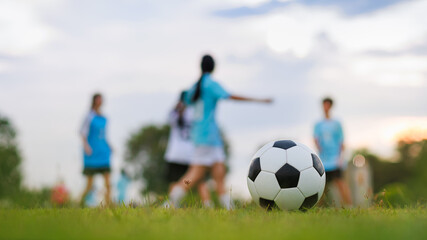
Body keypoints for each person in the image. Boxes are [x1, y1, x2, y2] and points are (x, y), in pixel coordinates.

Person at [166, 54, 272, 209]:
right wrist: (259, 100)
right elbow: (231, 96)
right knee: (194, 175)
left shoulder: (195, 87)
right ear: (213, 67)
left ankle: (229, 208)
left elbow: (185, 103)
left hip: (203, 137)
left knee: (219, 174)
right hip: (207, 136)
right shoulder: (210, 84)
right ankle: (170, 203)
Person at [164, 92, 213, 208]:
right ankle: (208, 205)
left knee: (175, 182)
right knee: (200, 181)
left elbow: (169, 120)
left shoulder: (175, 113)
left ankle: (171, 206)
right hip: (192, 154)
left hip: (175, 154)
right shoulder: (194, 112)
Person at [314, 97, 352, 206]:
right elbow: (316, 139)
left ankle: (349, 206)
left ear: (330, 106)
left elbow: (341, 141)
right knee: (321, 187)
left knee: (340, 183)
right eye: (324, 105)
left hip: (335, 159)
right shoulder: (318, 124)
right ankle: (317, 208)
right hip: (323, 160)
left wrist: (340, 157)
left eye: (327, 105)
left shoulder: (337, 123)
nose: (325, 107)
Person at [79, 93, 112, 206]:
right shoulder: (89, 116)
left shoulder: (104, 117)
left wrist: (109, 145)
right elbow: (82, 133)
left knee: (108, 182)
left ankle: (108, 204)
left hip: (103, 152)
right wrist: (86, 146)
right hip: (92, 154)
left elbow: (103, 135)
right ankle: (80, 202)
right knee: (89, 184)